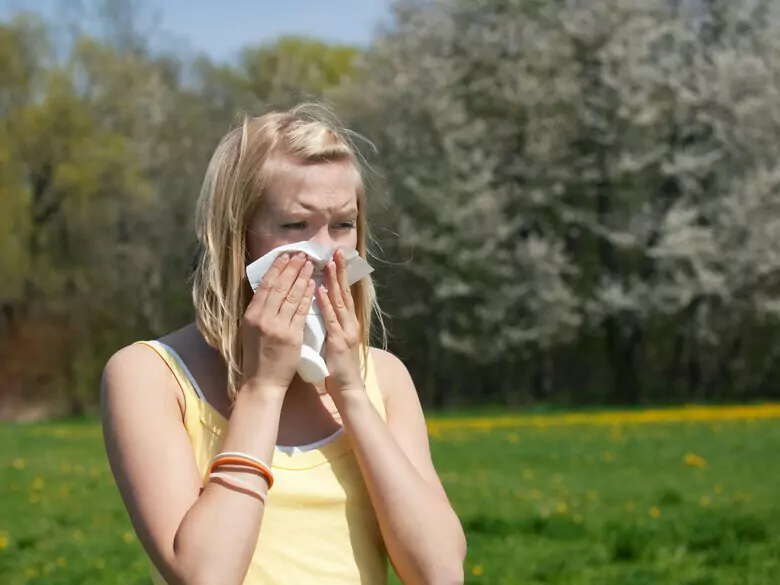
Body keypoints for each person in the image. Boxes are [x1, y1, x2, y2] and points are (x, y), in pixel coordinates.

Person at [100, 104, 467, 585]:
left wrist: (351, 393)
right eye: (296, 226)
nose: (325, 253)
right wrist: (262, 388)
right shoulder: (149, 375)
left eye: (343, 225)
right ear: (235, 238)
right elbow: (204, 576)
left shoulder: (384, 376)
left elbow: (440, 572)